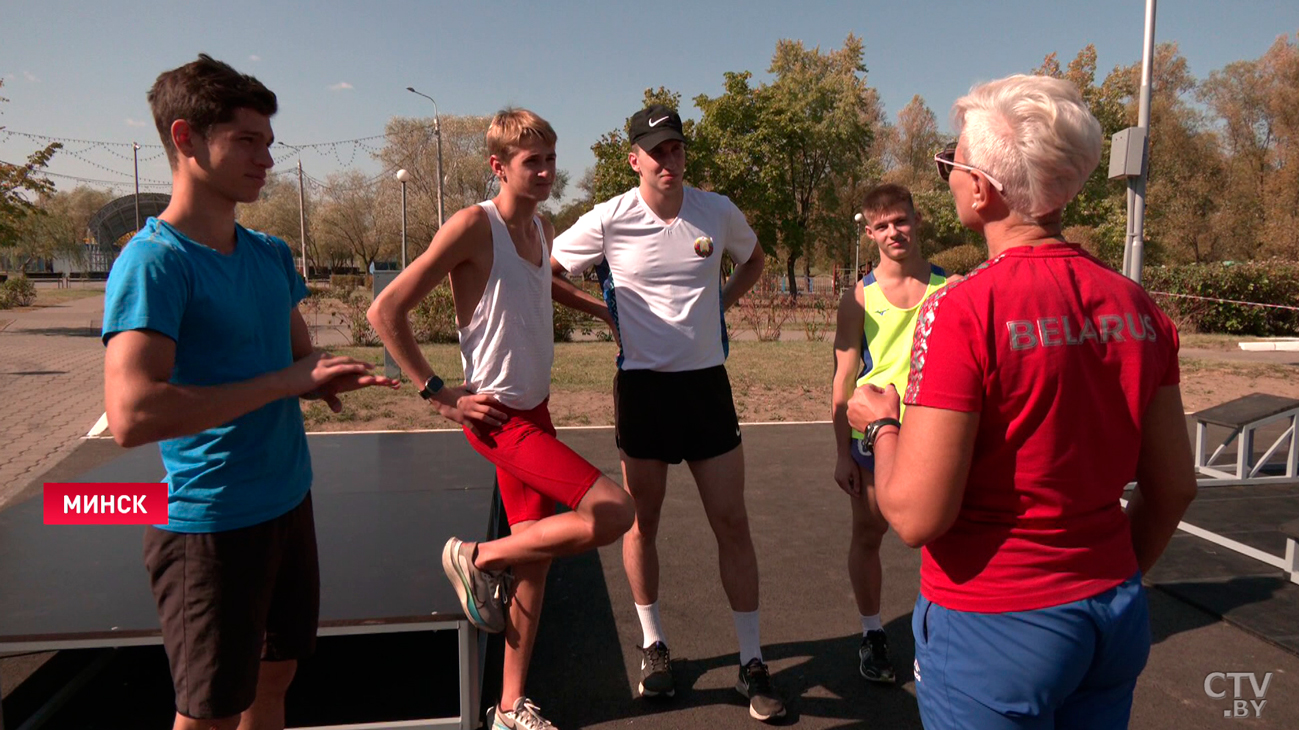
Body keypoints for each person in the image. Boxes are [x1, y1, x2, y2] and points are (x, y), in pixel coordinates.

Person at [847, 74, 1198, 729]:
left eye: (947, 161)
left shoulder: (960, 310)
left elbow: (916, 516)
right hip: (1111, 613)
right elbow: (1174, 486)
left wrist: (881, 425)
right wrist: (1104, 573)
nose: (945, 175)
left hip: (992, 623)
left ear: (980, 187)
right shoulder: (1137, 306)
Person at [101, 54, 397, 730]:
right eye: (246, 140)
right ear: (184, 138)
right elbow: (132, 413)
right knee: (207, 713)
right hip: (209, 526)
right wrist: (287, 382)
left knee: (275, 679)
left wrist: (324, 374)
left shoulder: (267, 253)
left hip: (287, 501)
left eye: (268, 142)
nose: (266, 158)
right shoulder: (155, 263)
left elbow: (297, 356)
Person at [367, 108, 635, 730]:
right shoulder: (472, 227)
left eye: (549, 159)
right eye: (530, 162)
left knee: (536, 563)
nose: (544, 172)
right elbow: (386, 311)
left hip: (536, 411)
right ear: (498, 166)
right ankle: (476, 556)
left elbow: (543, 285)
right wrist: (438, 391)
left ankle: (510, 708)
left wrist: (602, 312)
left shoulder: (539, 230)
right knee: (613, 512)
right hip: (496, 416)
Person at [550, 104, 784, 723]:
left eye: (677, 148)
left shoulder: (717, 210)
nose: (669, 160)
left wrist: (719, 305)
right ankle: (654, 645)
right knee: (641, 525)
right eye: (656, 151)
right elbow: (547, 270)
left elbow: (755, 260)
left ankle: (752, 660)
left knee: (732, 523)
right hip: (644, 393)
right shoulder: (609, 218)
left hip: (707, 389)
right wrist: (604, 314)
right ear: (635, 160)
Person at [831, 183, 947, 684]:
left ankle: (942, 635)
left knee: (940, 538)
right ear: (870, 231)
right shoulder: (858, 296)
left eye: (900, 220)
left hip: (936, 433)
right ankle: (873, 633)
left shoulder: (952, 287)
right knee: (870, 533)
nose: (893, 231)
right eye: (881, 225)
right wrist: (841, 453)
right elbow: (842, 378)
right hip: (870, 439)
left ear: (916, 219)